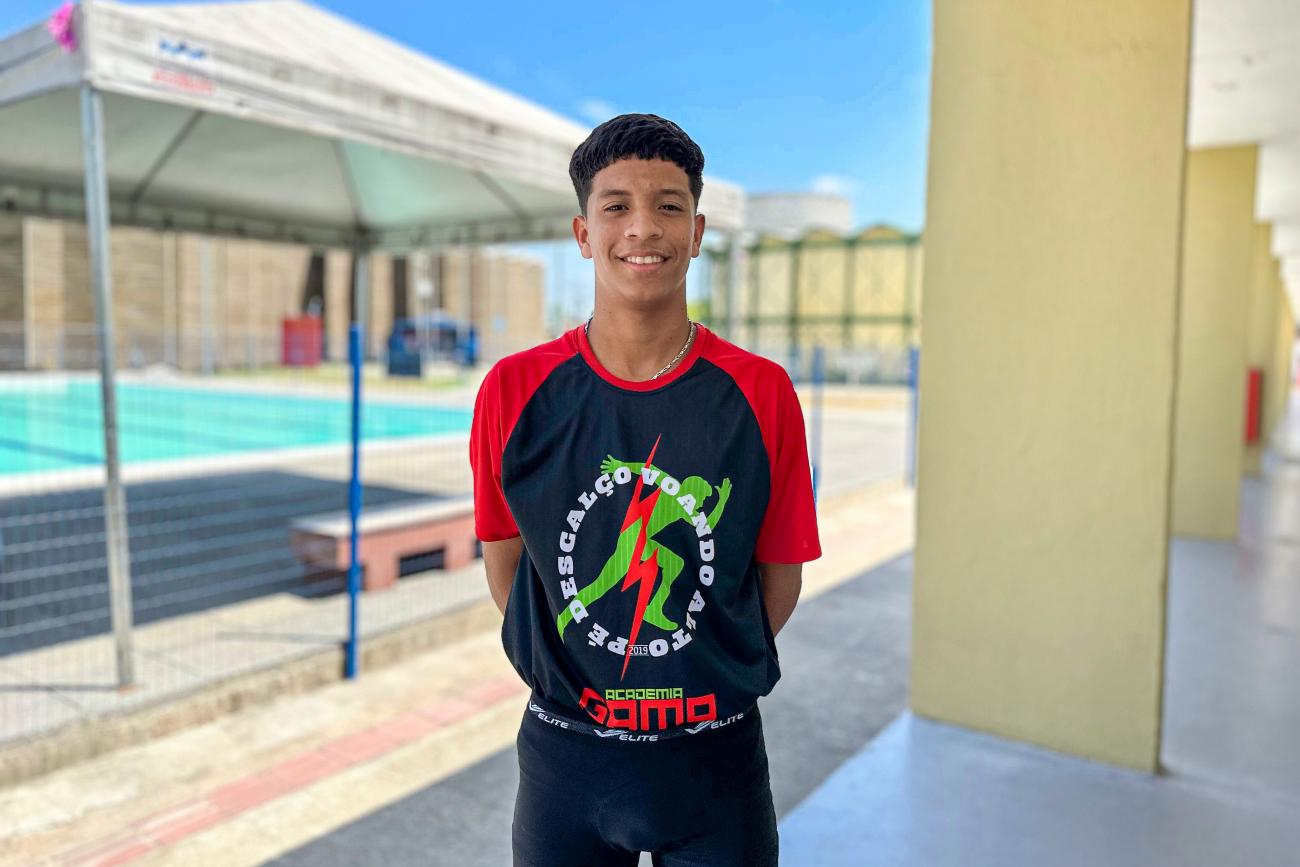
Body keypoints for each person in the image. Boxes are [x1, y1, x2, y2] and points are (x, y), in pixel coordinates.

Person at [470, 113, 821, 867]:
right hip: (566, 760)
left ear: (696, 233)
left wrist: (688, 676)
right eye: (616, 205)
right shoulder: (514, 391)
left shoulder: (760, 393)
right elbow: (507, 565)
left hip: (715, 762)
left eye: (668, 205)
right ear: (583, 232)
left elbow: (778, 578)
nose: (643, 227)